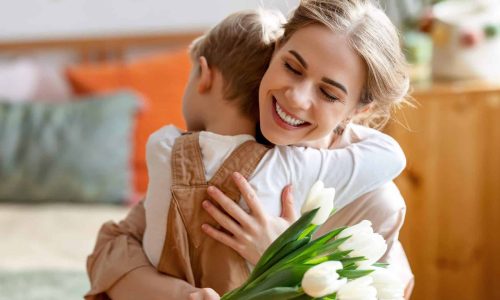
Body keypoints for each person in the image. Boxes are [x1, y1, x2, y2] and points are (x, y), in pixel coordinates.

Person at [85, 1, 413, 299]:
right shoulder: (231, 136)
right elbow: (111, 249)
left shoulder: (373, 201)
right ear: (276, 50)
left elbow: (381, 290)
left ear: (359, 111)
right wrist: (180, 295)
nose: (296, 99)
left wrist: (283, 258)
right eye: (292, 67)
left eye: (328, 93)